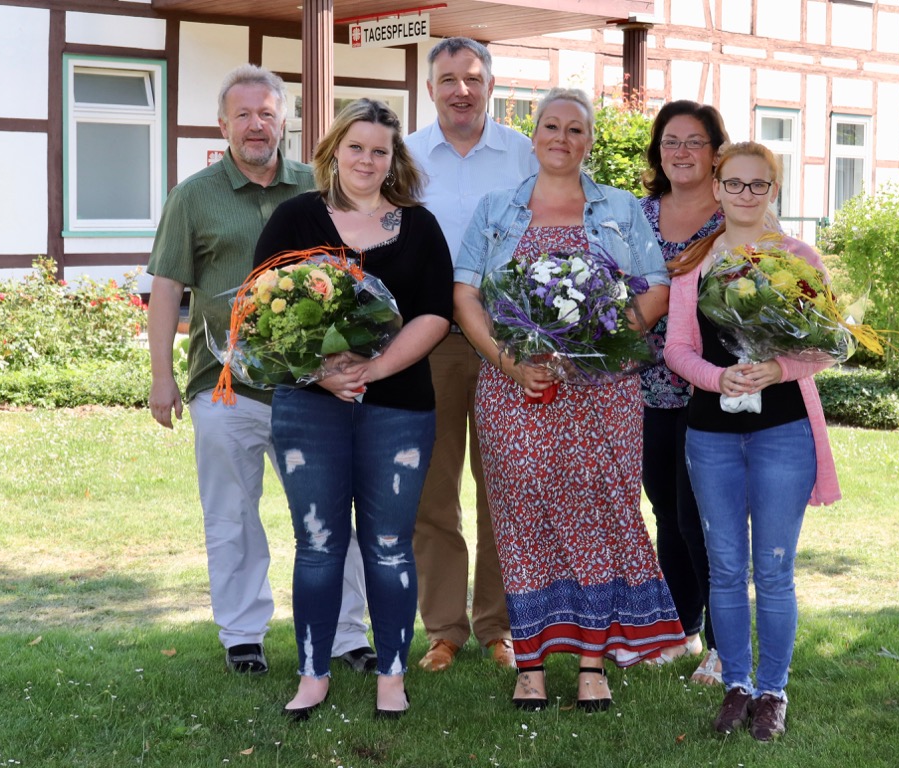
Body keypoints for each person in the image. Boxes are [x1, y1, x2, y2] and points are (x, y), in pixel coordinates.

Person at [453, 87, 685, 713]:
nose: (562, 138)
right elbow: (466, 293)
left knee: (601, 513)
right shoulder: (497, 207)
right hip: (514, 392)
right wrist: (507, 363)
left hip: (602, 392)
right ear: (534, 136)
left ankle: (591, 661)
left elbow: (656, 288)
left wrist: (593, 348)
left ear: (588, 140)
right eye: (551, 126)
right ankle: (528, 662)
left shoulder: (620, 209)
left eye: (576, 129)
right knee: (522, 516)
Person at [147, 64, 374, 677]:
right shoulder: (193, 196)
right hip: (225, 388)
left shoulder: (318, 187)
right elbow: (167, 287)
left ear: (285, 121)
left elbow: (355, 275)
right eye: (243, 114)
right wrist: (161, 376)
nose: (256, 125)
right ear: (223, 124)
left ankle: (347, 635)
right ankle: (242, 635)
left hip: (313, 386)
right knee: (231, 515)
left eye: (267, 113)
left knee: (330, 513)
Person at [252, 99, 453, 721]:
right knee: (316, 543)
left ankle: (391, 675)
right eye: (357, 147)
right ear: (334, 149)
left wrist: (372, 368)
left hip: (398, 408)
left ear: (394, 160)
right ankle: (313, 672)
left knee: (390, 544)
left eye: (380, 151)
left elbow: (435, 315)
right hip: (309, 407)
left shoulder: (419, 226)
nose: (367, 160)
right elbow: (260, 309)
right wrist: (320, 370)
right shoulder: (293, 218)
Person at [663, 141, 842, 741]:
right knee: (724, 565)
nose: (744, 195)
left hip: (782, 432)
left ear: (774, 190)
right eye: (733, 183)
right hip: (711, 433)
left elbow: (824, 346)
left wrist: (777, 369)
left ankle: (772, 690)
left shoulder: (798, 259)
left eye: (757, 185)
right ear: (716, 188)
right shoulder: (696, 264)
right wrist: (720, 378)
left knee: (773, 566)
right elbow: (678, 349)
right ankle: (736, 683)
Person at [403, 37, 537, 673]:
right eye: (448, 78)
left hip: (506, 341)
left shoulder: (522, 155)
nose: (461, 89)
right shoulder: (403, 155)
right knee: (434, 492)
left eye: (473, 78)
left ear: (490, 86)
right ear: (430, 89)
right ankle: (445, 630)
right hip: (429, 342)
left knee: (503, 488)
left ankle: (497, 627)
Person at [636, 101, 729, 684]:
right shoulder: (636, 214)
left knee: (706, 516)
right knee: (666, 508)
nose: (682, 152)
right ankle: (681, 628)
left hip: (711, 387)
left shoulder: (733, 215)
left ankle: (723, 643)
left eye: (694, 142)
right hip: (645, 385)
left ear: (716, 152)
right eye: (671, 141)